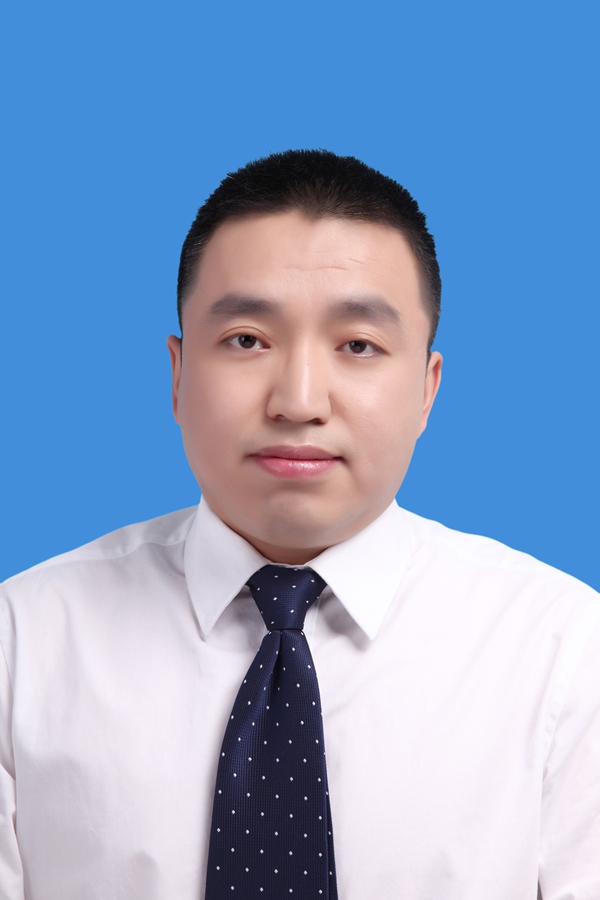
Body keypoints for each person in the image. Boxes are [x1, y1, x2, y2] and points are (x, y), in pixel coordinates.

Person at [0, 149, 598, 900]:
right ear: (178, 376)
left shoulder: (563, 651)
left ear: (427, 390)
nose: (299, 401)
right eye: (247, 339)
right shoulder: (23, 641)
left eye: (358, 346)